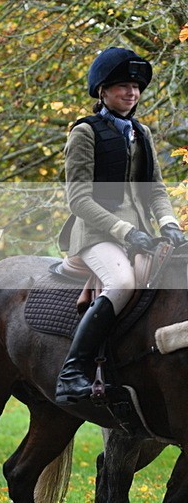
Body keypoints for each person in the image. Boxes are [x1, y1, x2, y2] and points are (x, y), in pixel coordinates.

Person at [55, 47, 185, 405]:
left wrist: (170, 223)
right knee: (122, 282)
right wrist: (127, 233)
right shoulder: (84, 133)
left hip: (143, 234)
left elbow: (156, 189)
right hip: (97, 235)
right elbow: (78, 200)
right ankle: (72, 373)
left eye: (136, 87)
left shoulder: (141, 132)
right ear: (103, 91)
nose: (132, 93)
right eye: (123, 86)